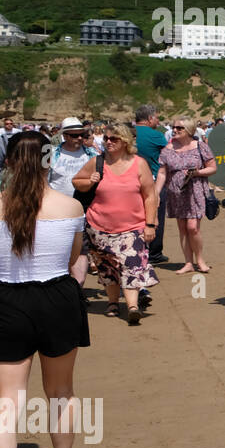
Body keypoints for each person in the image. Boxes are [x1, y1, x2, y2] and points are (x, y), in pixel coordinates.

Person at [0, 133, 91, 448]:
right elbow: (72, 258)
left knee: (7, 402)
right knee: (61, 392)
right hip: (56, 297)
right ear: (48, 161)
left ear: (8, 162)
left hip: (7, 301)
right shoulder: (70, 205)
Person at [73, 124, 158, 325]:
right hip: (98, 226)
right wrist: (90, 181)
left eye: (114, 139)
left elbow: (150, 196)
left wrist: (150, 225)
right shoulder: (97, 162)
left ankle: (132, 306)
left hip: (133, 227)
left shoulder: (139, 164)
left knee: (132, 265)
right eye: (107, 139)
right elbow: (77, 181)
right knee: (107, 269)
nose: (108, 142)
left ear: (126, 141)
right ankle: (112, 303)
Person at [155, 116, 216, 274]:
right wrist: (155, 194)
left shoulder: (200, 147)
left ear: (189, 130)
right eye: (173, 127)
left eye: (179, 128)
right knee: (182, 228)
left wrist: (198, 172)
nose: (174, 130)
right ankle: (188, 262)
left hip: (195, 190)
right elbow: (162, 173)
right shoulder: (167, 149)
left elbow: (212, 168)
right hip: (176, 193)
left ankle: (200, 260)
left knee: (193, 227)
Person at [46, 118, 97, 286]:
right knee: (59, 252)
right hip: (55, 211)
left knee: (82, 250)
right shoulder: (49, 154)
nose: (80, 139)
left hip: (84, 209)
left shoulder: (93, 155)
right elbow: (41, 180)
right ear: (64, 136)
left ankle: (77, 289)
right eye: (75, 136)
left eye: (82, 135)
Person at [133, 105, 168, 265]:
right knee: (155, 216)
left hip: (132, 180)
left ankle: (137, 248)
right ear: (149, 119)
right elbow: (168, 156)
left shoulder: (130, 134)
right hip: (154, 180)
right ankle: (154, 252)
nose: (158, 120)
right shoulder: (157, 136)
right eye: (156, 117)